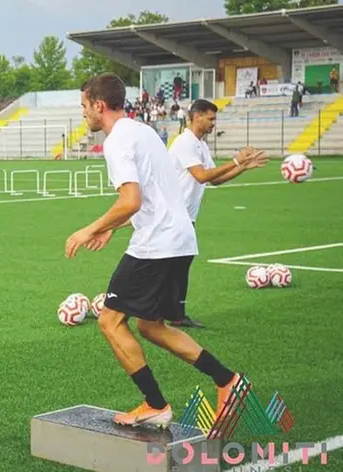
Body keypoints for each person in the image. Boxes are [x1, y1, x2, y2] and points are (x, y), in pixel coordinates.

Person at [65, 73, 242, 429]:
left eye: (84, 107)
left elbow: (131, 200)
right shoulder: (143, 130)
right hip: (180, 241)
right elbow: (154, 197)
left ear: (99, 106)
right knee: (151, 326)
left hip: (157, 245)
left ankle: (155, 404)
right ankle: (227, 381)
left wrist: (91, 228)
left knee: (110, 321)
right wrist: (112, 228)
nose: (84, 114)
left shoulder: (116, 142)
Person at [167, 99, 268, 329]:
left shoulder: (201, 145)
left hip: (185, 216)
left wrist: (241, 167)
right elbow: (202, 176)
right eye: (210, 119)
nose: (214, 123)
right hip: (173, 216)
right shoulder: (185, 143)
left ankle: (174, 314)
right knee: (171, 265)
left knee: (180, 264)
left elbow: (214, 179)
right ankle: (161, 312)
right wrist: (235, 160)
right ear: (196, 117)